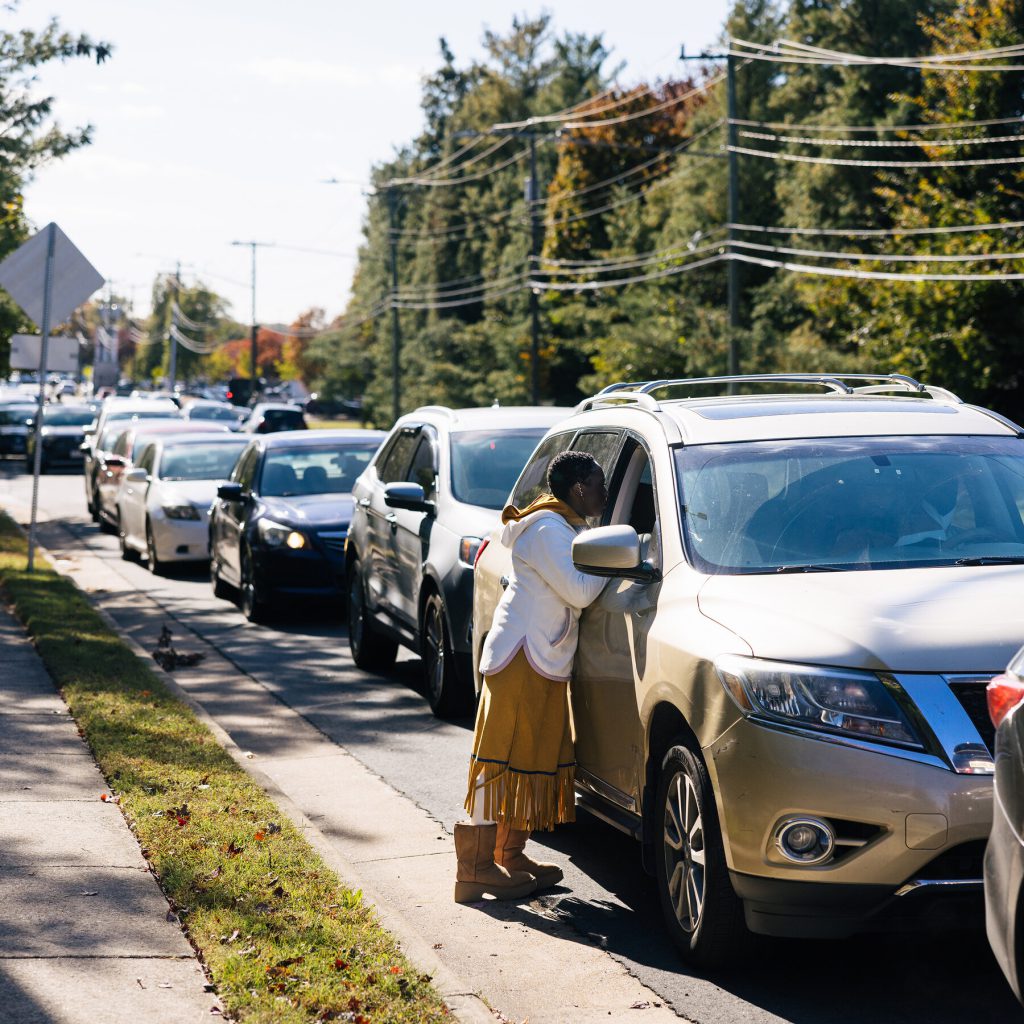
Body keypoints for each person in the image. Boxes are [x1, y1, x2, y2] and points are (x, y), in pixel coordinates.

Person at [454, 450, 608, 903]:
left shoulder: (564, 527)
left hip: (540, 656)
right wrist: (613, 560)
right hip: (522, 657)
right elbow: (579, 591)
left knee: (529, 757)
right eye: (599, 484)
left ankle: (509, 853)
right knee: (498, 760)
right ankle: (475, 869)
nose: (605, 492)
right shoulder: (546, 529)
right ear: (578, 488)